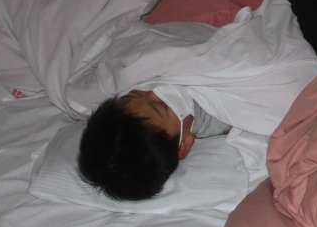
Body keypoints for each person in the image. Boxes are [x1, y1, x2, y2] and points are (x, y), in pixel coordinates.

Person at [78, 86, 231, 201]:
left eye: (134, 94)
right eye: (161, 106)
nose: (152, 91)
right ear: (183, 144)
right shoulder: (219, 115)